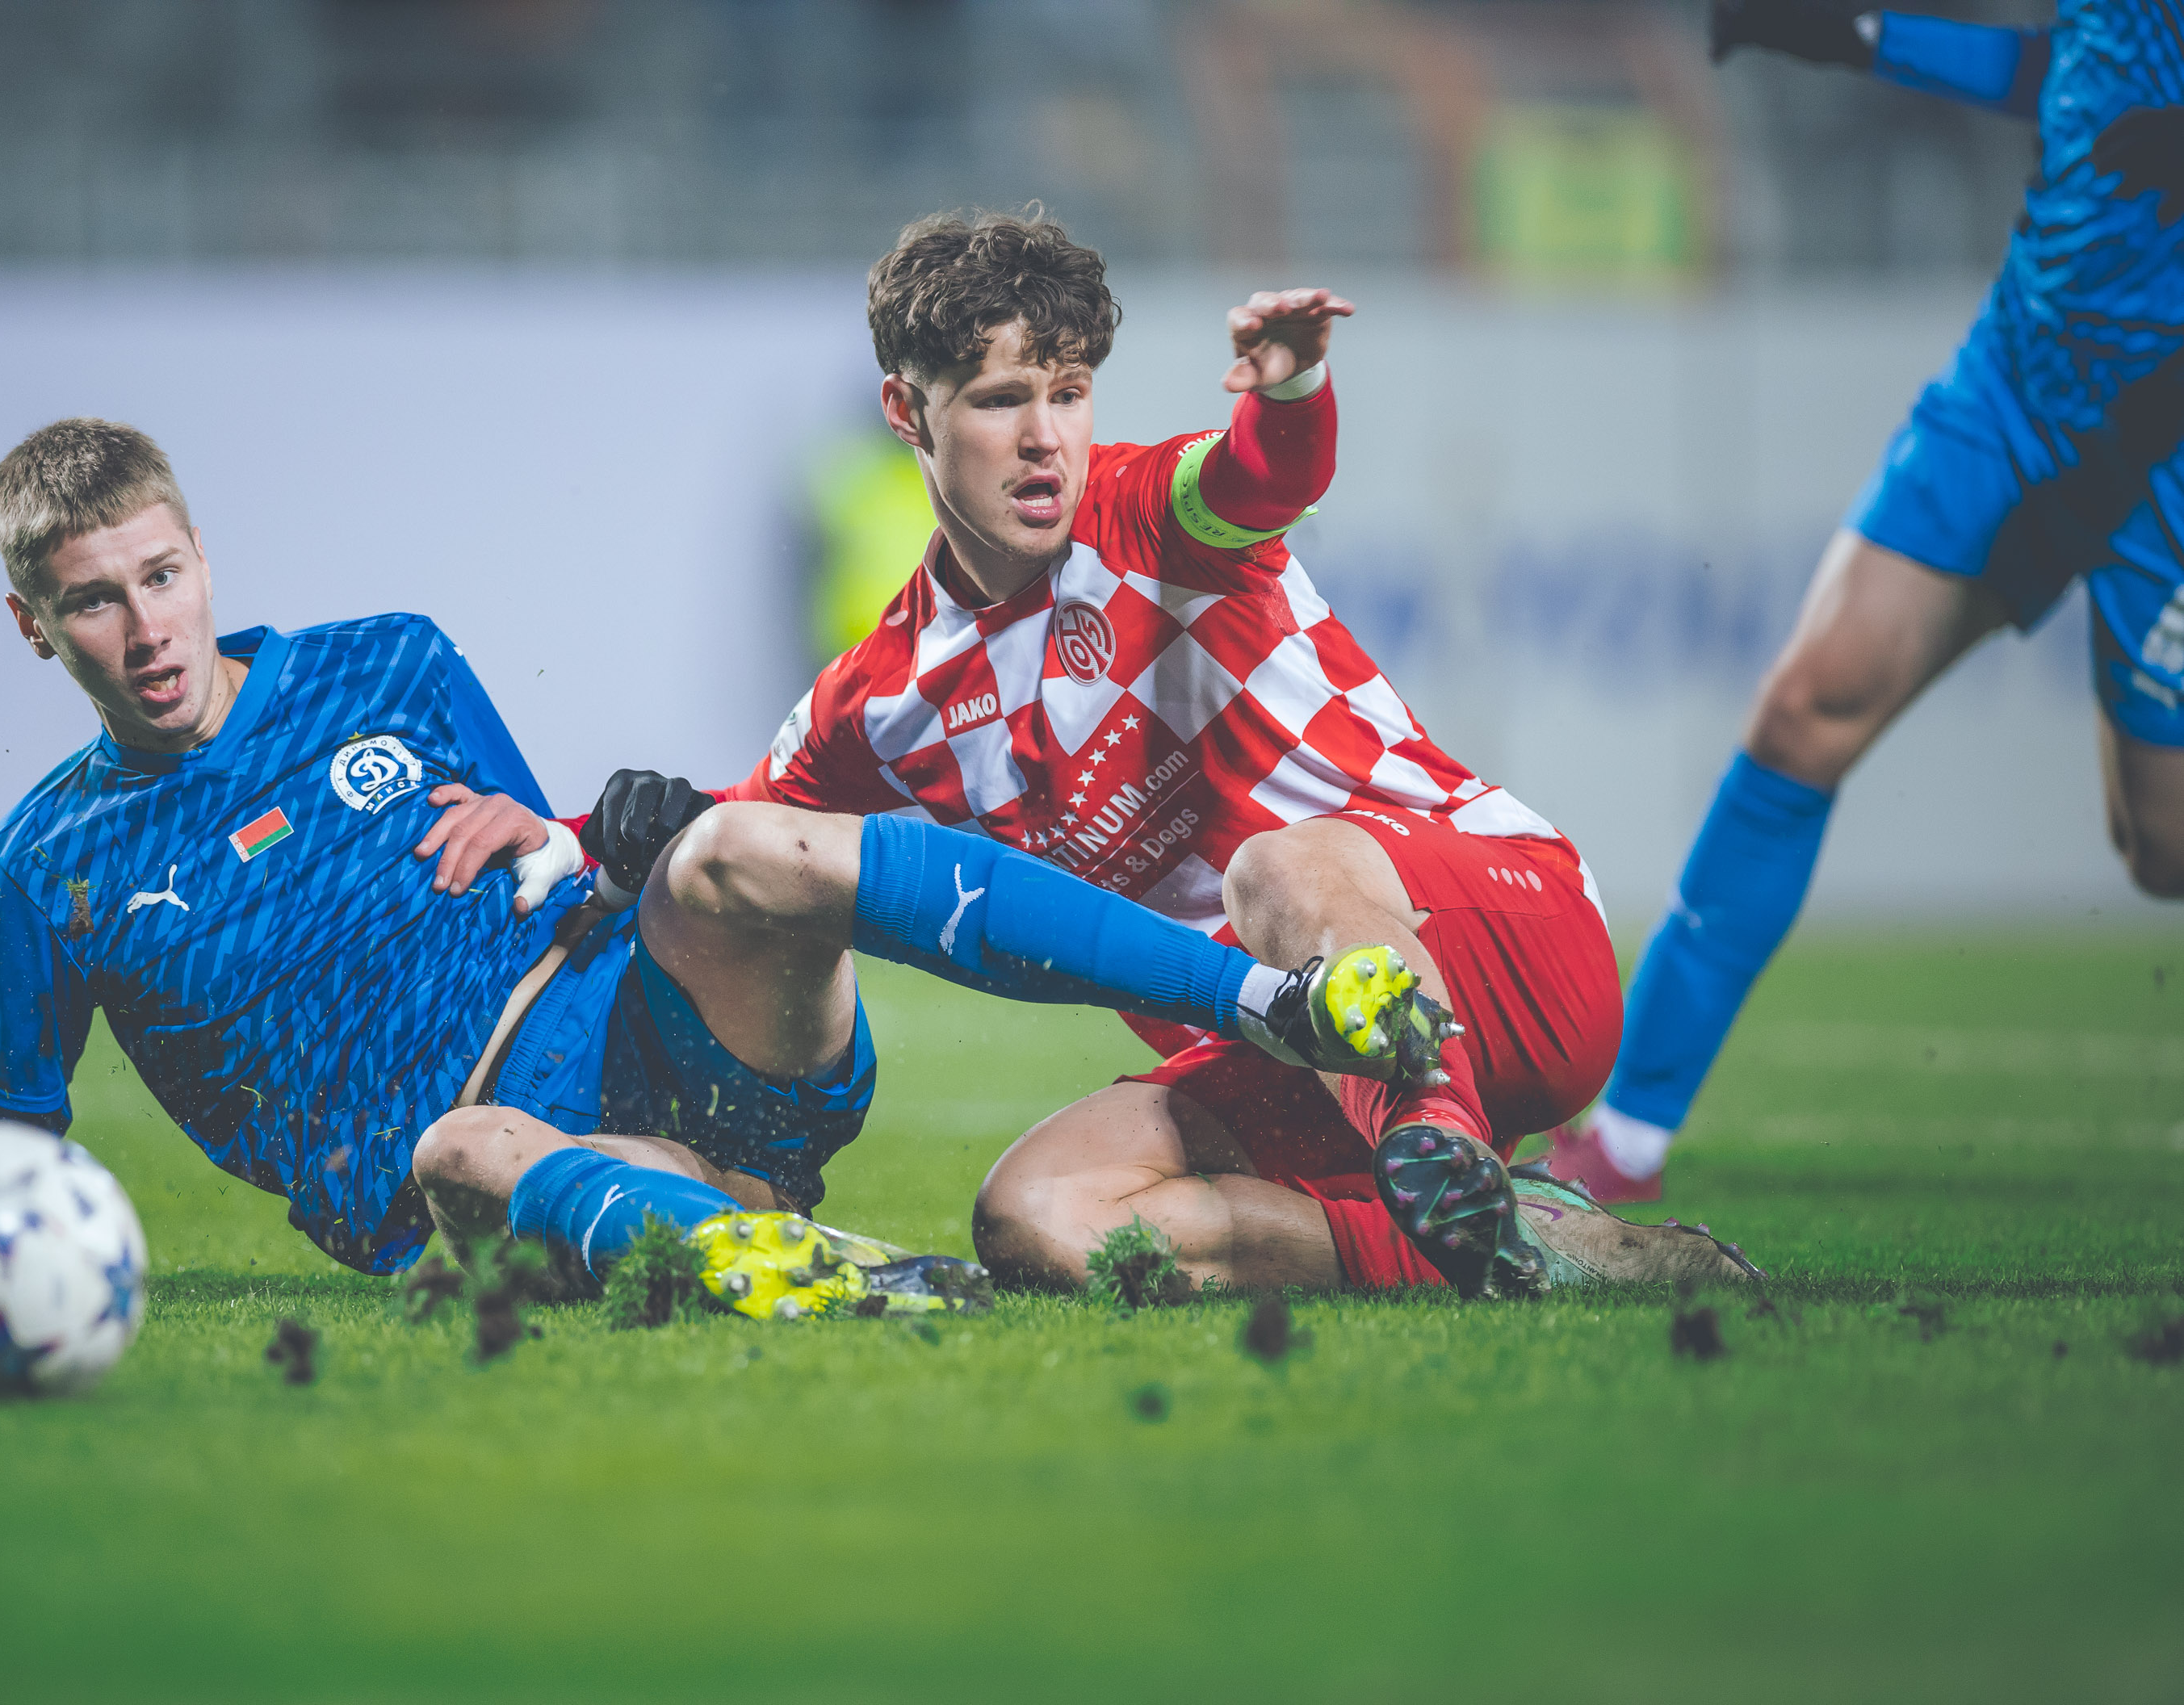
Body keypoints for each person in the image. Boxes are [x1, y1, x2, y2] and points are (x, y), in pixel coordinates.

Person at [0, 417, 1444, 1319]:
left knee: (732, 850)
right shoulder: (49, 863)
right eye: (95, 604)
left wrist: (612, 845)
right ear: (32, 626)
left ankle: (1275, 997)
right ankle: (798, 1266)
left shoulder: (385, 666)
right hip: (490, 1170)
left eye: (161, 576)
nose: (146, 631)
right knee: (467, 1144)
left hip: (657, 1023)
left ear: (201, 556)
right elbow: (14, 1125)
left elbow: (543, 857)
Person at [585, 209, 1756, 1300]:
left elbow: (1266, 472)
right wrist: (594, 827)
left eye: (1071, 392)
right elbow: (735, 841)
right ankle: (1537, 1242)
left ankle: (1435, 1125)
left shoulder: (1154, 514)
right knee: (1040, 1214)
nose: (1047, 439)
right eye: (1000, 401)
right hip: (1296, 1044)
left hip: (1515, 953)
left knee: (1277, 872)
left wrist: (1293, 390)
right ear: (907, 413)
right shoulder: (883, 699)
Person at [1547, 0, 2184, 1204]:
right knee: (1803, 709)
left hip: (2163, 452)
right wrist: (1865, 37)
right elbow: (2077, 76)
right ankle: (1626, 1136)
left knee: (2159, 849)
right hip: (2017, 389)